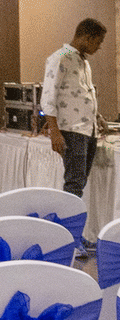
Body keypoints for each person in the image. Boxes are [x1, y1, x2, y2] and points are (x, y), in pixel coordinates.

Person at [41, 17, 109, 198]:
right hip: (72, 130)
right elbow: (48, 96)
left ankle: (70, 220)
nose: (99, 46)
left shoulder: (83, 62)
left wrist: (97, 116)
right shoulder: (60, 58)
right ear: (87, 37)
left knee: (80, 181)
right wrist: (54, 131)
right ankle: (68, 223)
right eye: (98, 41)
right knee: (74, 183)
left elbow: (80, 93)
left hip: (88, 131)